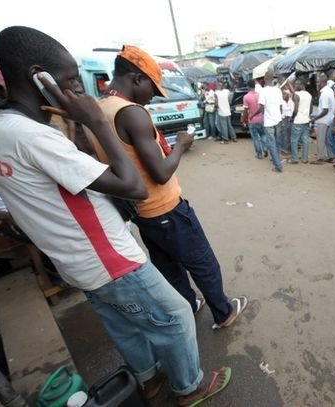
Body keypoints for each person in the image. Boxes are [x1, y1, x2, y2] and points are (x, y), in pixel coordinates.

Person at [0, 26, 231, 405]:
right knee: (176, 316)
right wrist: (96, 123)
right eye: (71, 80)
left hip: (74, 261)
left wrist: (79, 125)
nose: (77, 90)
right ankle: (189, 386)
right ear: (37, 75)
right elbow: (137, 184)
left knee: (123, 325)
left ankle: (148, 377)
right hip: (109, 256)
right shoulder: (36, 135)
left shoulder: (4, 130)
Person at [85, 45, 248, 329]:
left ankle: (189, 303)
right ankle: (223, 312)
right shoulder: (131, 112)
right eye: (153, 88)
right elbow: (160, 173)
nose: (152, 97)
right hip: (167, 208)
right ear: (137, 78)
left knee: (169, 266)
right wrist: (181, 145)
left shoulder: (99, 110)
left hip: (141, 211)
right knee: (202, 262)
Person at [258, 70, 284, 172]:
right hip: (278, 119)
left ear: (265, 79)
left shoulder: (263, 91)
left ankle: (278, 166)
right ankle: (276, 161)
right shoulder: (277, 90)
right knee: (277, 143)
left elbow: (261, 107)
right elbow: (281, 106)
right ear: (273, 79)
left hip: (269, 121)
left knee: (272, 144)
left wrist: (265, 115)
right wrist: (279, 115)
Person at [310, 73, 335, 164]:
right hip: (329, 119)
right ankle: (331, 156)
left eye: (318, 82)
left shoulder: (324, 94)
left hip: (323, 120)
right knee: (328, 140)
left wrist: (315, 118)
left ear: (322, 82)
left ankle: (321, 157)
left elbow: (325, 110)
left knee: (320, 139)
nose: (317, 84)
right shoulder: (330, 91)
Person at [288, 79, 312, 164]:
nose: (295, 86)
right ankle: (305, 158)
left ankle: (295, 158)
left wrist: (292, 118)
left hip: (298, 120)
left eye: (297, 85)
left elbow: (295, 110)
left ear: (301, 85)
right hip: (306, 120)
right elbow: (311, 109)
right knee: (305, 139)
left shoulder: (297, 95)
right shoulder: (309, 95)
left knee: (294, 140)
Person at [243, 79, 267, 159]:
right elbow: (262, 107)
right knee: (263, 135)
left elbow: (245, 110)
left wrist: (245, 119)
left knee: (255, 138)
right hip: (261, 118)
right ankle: (265, 148)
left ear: (248, 87)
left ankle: (259, 154)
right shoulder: (259, 95)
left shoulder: (246, 97)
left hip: (252, 120)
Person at [280, 89, 294, 155]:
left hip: (290, 120)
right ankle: (284, 149)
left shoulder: (291, 102)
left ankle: (289, 150)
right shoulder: (282, 102)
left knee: (289, 136)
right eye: (283, 94)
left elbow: (293, 111)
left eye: (285, 94)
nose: (284, 95)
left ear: (289, 95)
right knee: (284, 135)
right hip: (284, 120)